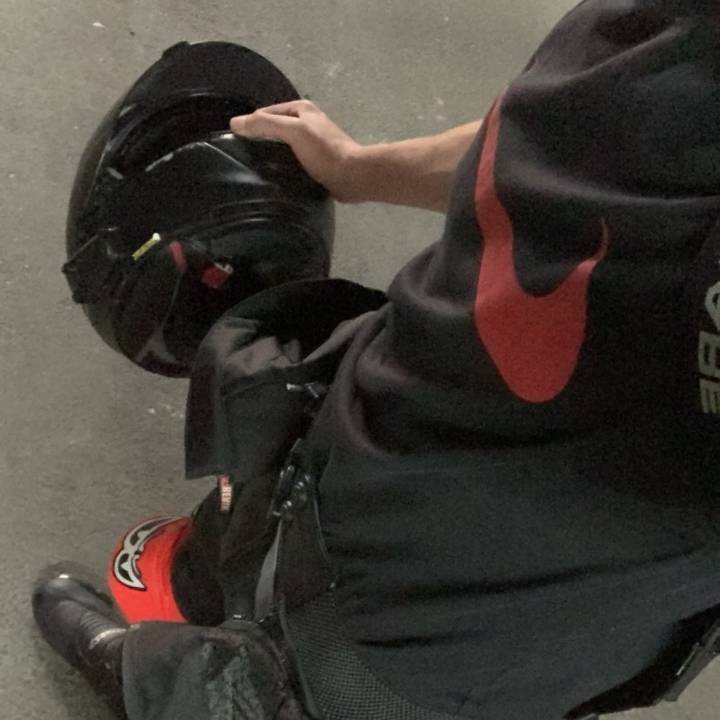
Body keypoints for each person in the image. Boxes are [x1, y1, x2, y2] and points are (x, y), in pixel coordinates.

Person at [33, 2, 720, 720]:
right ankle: (220, 582)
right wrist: (360, 170)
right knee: (290, 462)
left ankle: (211, 692)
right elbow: (569, 132)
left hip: (478, 594)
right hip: (421, 395)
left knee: (330, 674)